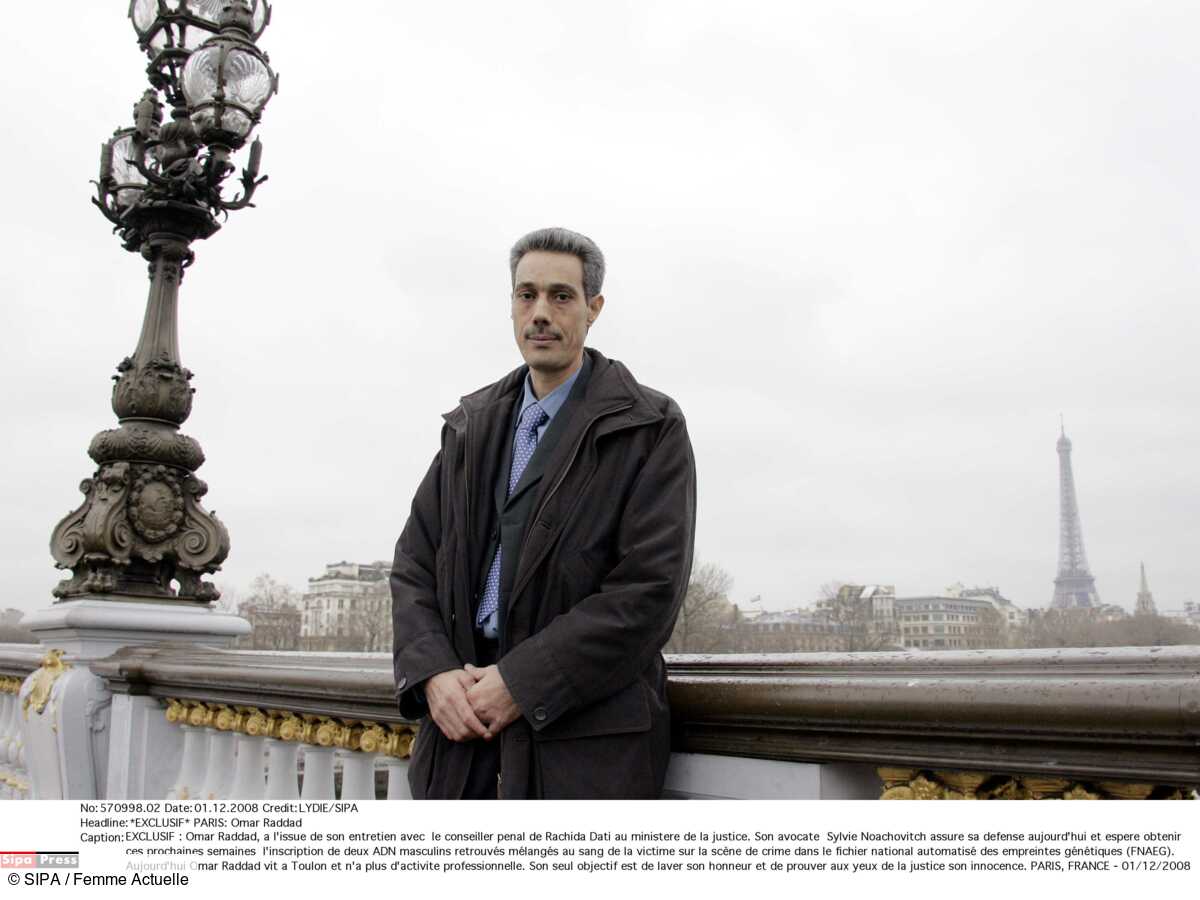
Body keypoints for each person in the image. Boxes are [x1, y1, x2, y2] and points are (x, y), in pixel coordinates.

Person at [390, 226, 697, 799]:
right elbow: (414, 565)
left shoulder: (651, 427)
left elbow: (648, 589)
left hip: (581, 750)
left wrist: (521, 681)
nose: (540, 314)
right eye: (526, 295)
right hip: (460, 743)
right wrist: (431, 673)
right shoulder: (469, 426)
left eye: (561, 296)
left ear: (593, 308)